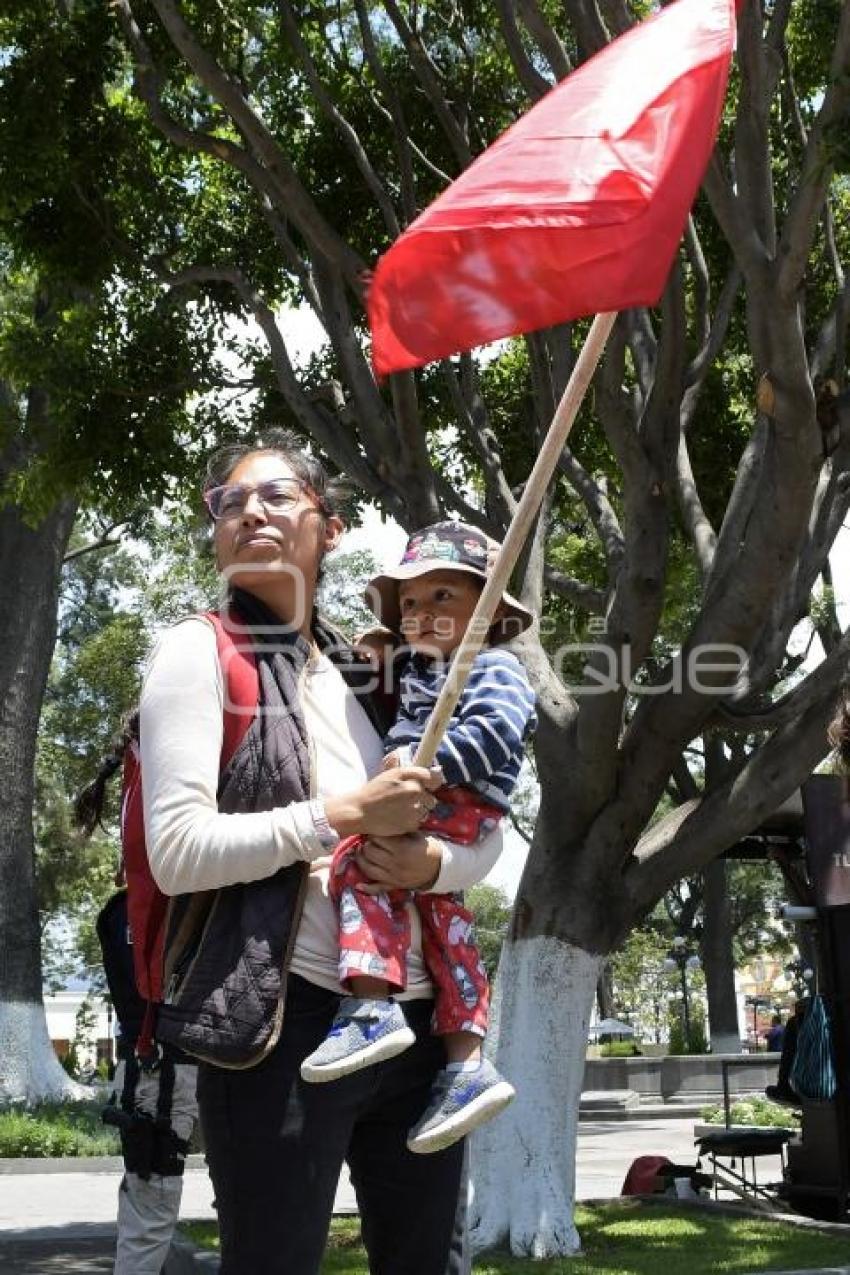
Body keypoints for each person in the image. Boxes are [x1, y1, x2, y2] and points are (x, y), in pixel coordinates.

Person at [137, 430, 509, 1275]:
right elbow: (178, 852)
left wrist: (434, 869)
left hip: (420, 1031)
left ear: (329, 527)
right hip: (284, 1022)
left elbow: (481, 830)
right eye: (229, 502)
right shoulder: (198, 653)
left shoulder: (378, 670)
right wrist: (342, 815)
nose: (249, 512)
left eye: (275, 495)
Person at [300, 521, 536, 1157]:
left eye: (443, 599)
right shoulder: (425, 666)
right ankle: (465, 1063)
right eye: (410, 603)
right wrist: (387, 642)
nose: (422, 614)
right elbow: (407, 686)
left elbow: (497, 733)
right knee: (444, 922)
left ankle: (371, 1004)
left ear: (485, 614)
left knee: (358, 863)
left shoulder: (494, 667)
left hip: (456, 798)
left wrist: (434, 767)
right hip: (439, 798)